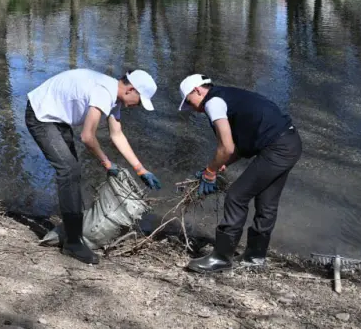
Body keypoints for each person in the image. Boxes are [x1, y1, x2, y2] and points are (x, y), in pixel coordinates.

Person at [26, 69, 162, 265]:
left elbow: (117, 135)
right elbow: (87, 136)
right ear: (131, 89)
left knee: (73, 172)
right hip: (41, 116)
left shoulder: (115, 97)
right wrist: (107, 163)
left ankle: (74, 230)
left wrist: (141, 169)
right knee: (68, 171)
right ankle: (73, 243)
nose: (137, 106)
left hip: (58, 120)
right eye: (139, 101)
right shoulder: (103, 92)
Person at [178, 74, 303, 273]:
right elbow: (237, 147)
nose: (193, 108)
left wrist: (210, 172)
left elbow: (226, 147)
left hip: (277, 148)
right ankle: (255, 256)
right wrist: (221, 165)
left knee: (236, 196)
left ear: (198, 90)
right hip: (289, 142)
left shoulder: (214, 102)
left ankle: (221, 258)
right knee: (266, 201)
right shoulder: (229, 96)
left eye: (189, 102)